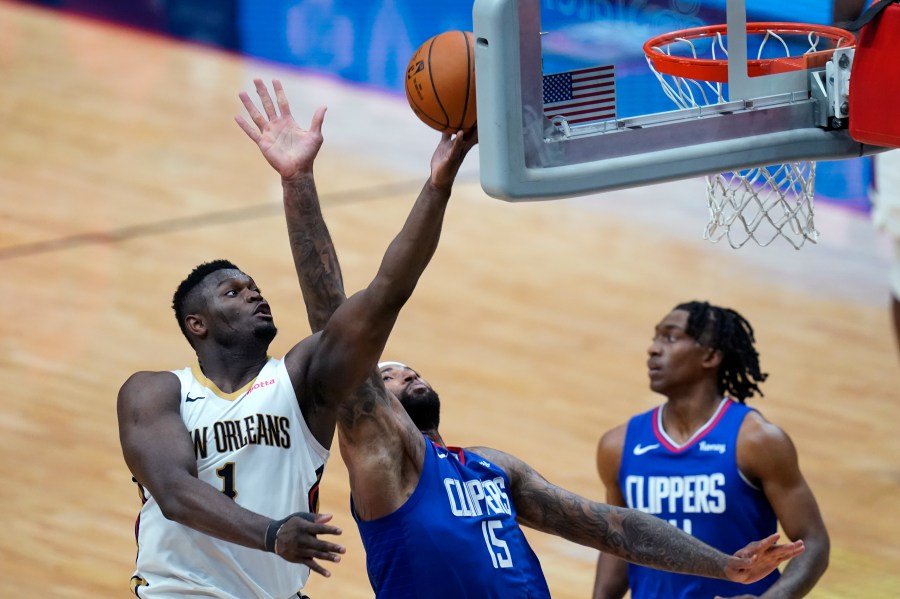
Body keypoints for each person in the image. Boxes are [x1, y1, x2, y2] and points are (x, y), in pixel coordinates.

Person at [244, 83, 802, 599]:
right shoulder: (383, 452)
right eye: (387, 373)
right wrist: (300, 181)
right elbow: (335, 315)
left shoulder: (491, 469)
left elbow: (613, 526)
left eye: (409, 366)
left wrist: (722, 565)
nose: (405, 373)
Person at [116, 78, 476, 598]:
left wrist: (435, 185)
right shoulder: (155, 391)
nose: (254, 294)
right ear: (197, 324)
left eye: (255, 287)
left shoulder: (299, 379)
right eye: (233, 292)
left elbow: (385, 293)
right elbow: (174, 492)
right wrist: (272, 534)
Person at [592, 301, 830, 599]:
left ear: (710, 356)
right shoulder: (618, 445)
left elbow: (814, 541)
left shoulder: (756, 440)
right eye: (655, 338)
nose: (653, 349)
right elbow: (619, 543)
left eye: (670, 337)